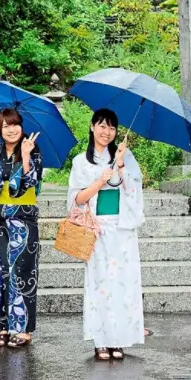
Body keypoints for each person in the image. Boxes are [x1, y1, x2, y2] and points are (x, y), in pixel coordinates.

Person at [67, 108, 145, 361]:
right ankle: (101, 340)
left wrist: (121, 166)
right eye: (101, 126)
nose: (106, 132)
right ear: (92, 127)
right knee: (100, 284)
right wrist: (99, 183)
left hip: (121, 229)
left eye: (111, 127)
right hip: (97, 229)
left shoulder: (124, 157)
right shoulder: (81, 161)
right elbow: (76, 199)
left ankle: (119, 339)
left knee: (123, 284)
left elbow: (134, 192)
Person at [0, 108, 43, 348]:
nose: (11, 129)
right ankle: (2, 325)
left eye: (15, 125)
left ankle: (23, 329)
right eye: (6, 126)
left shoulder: (33, 150)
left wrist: (25, 158)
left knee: (22, 273)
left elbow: (31, 184)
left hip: (23, 223)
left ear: (21, 126)